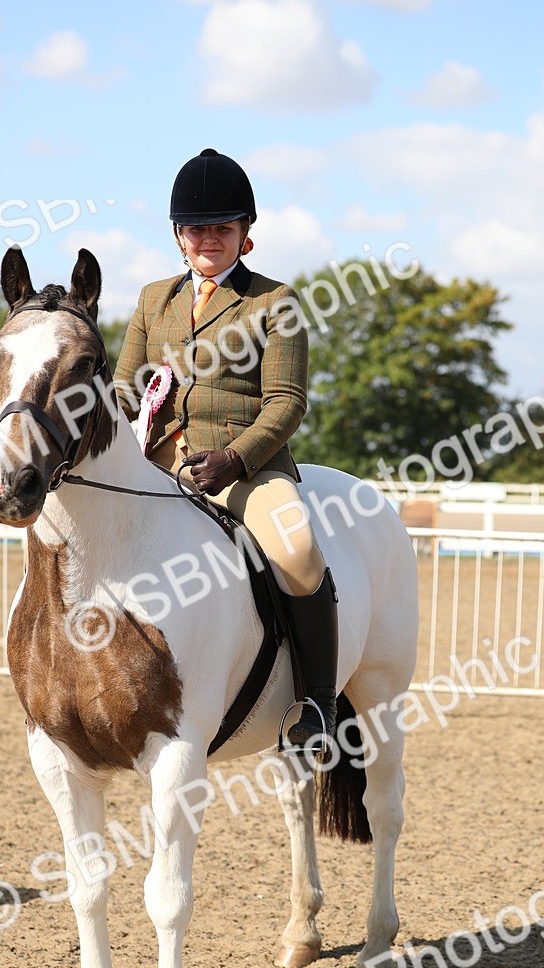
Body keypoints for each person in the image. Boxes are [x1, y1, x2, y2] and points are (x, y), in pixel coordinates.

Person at [114, 148, 338, 746]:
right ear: (178, 236)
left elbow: (287, 402)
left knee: (298, 552)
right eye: (197, 228)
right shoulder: (151, 300)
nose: (209, 238)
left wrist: (234, 460)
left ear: (245, 234)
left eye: (223, 227)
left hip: (245, 467)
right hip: (159, 464)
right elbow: (125, 389)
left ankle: (316, 704)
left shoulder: (275, 302)